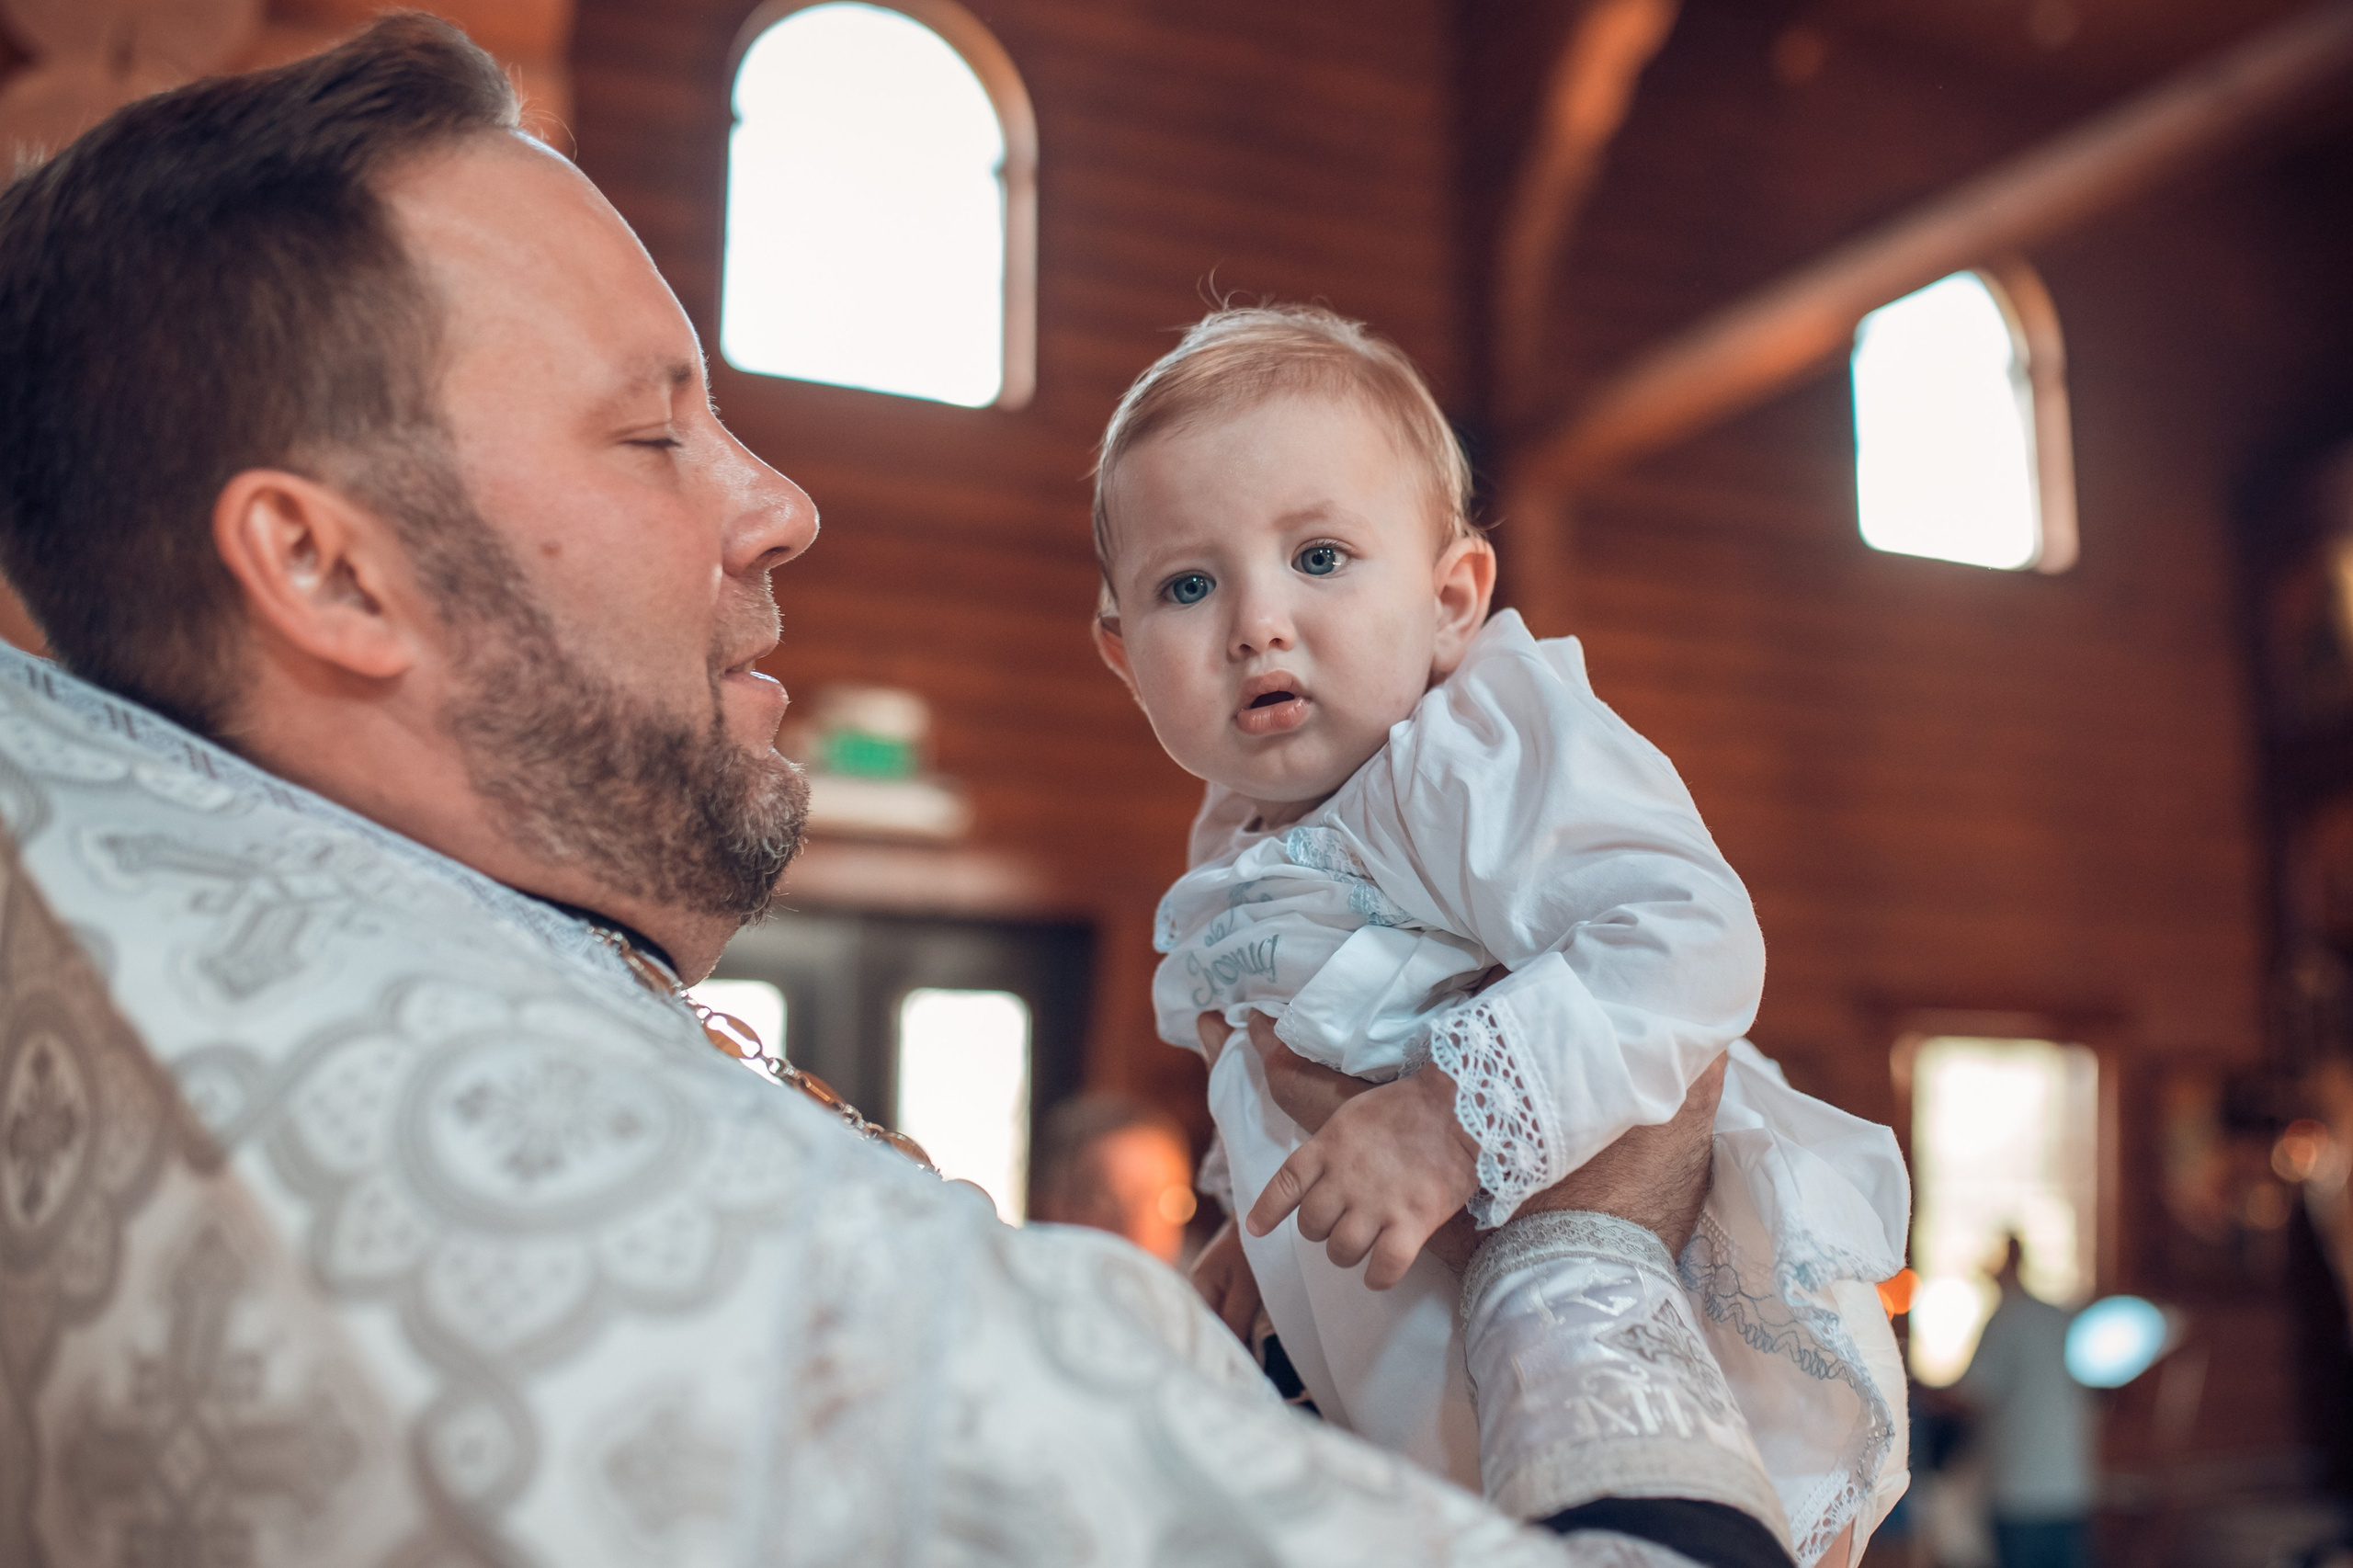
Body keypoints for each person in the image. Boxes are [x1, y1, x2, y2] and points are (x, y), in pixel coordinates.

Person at [0, 17, 1799, 1566]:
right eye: (654, 432)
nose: (781, 502)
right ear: (327, 574)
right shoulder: (560, 1217)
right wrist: (1585, 1252)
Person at [1089, 305, 1913, 1560]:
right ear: (1119, 655)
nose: (1257, 620)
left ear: (1453, 596)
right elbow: (1259, 1058)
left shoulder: (1477, 751)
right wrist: (1250, 1227)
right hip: (1412, 1340)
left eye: (1318, 557)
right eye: (1188, 584)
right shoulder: (1233, 840)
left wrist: (1445, 1114)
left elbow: (1694, 938)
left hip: (1652, 1293)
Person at [1954, 1237, 2099, 1568]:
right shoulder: (2059, 1318)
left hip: (2020, 1491)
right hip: (2070, 1487)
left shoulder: (2006, 1320)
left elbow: (1972, 1395)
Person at [1029, 1093, 1201, 1265]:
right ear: (1050, 1207)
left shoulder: (1199, 1284)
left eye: (1167, 1200)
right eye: (1108, 1201)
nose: (1137, 1225)